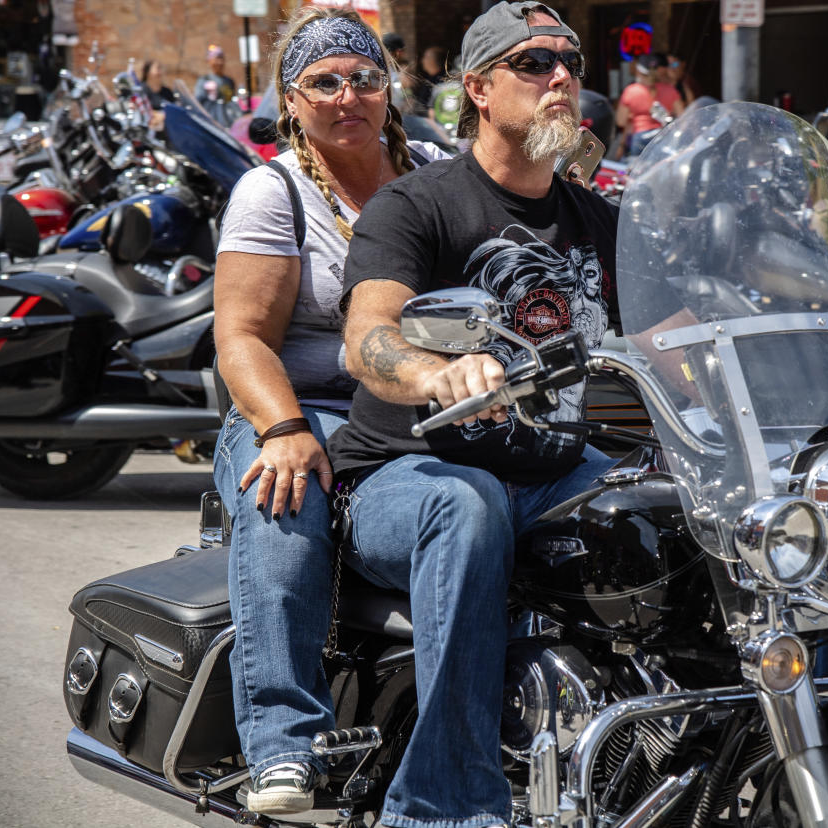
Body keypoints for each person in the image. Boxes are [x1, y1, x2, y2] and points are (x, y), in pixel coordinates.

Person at [326, 3, 620, 826]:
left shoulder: (597, 217)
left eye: (570, 63)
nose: (562, 77)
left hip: (555, 471)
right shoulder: (416, 206)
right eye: (534, 63)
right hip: (403, 477)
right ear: (480, 88)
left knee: (700, 517)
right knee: (467, 504)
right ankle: (441, 807)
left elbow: (677, 339)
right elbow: (368, 341)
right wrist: (436, 370)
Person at [211, 6, 444, 816]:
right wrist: (281, 429)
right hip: (301, 403)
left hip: (428, 404)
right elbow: (239, 337)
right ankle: (283, 742)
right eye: (325, 82)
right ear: (291, 99)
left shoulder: (439, 171)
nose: (349, 95)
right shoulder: (271, 191)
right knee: (287, 494)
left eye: (366, 77)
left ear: (392, 89)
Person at [614, 52, 683, 159]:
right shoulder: (670, 90)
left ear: (638, 71)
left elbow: (621, 121)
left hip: (639, 137)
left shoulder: (631, 91)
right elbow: (682, 117)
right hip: (663, 137)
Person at [197, 44, 237, 127]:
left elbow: (232, 101)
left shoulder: (229, 81)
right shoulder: (204, 80)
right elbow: (199, 102)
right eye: (216, 58)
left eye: (221, 58)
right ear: (209, 61)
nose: (219, 62)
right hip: (212, 124)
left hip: (229, 122)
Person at [408, 45, 446, 115]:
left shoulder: (442, 82)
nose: (422, 61)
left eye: (425, 57)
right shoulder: (429, 79)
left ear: (433, 60)